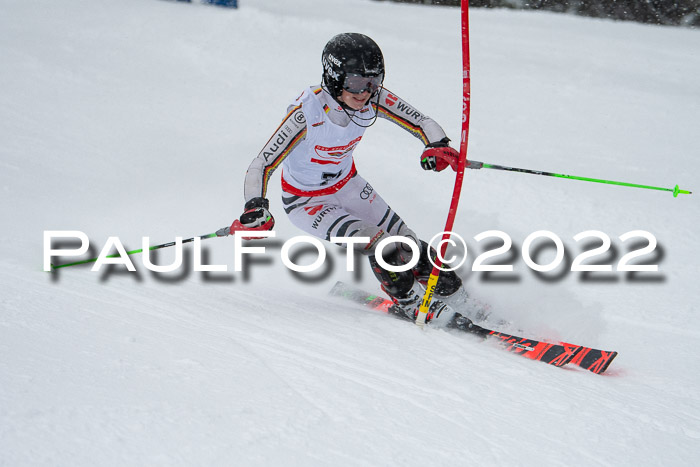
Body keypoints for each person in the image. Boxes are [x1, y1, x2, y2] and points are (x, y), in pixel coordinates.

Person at [235, 33, 468, 325]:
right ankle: (411, 303)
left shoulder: (373, 99)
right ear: (334, 78)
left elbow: (422, 122)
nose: (364, 93)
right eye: (356, 83)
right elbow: (262, 163)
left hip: (349, 185)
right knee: (380, 244)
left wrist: (438, 144)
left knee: (409, 246)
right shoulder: (306, 113)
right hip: (306, 202)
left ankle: (461, 299)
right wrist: (255, 206)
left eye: (373, 83)